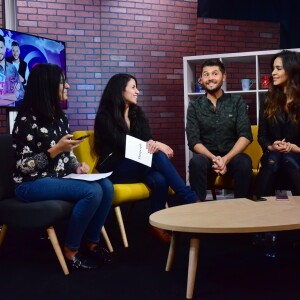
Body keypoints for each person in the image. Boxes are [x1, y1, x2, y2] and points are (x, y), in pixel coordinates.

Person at [12, 63, 114, 270]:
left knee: (106, 186)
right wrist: (55, 150)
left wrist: (76, 166)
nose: (67, 86)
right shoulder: (25, 120)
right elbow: (23, 166)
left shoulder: (59, 117)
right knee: (92, 191)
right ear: (47, 86)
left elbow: (67, 152)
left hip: (58, 177)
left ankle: (92, 242)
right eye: (62, 83)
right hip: (31, 183)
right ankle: (71, 249)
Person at [93, 73, 198, 243]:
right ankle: (188, 197)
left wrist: (154, 143)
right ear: (121, 90)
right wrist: (157, 145)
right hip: (114, 169)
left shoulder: (137, 114)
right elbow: (123, 143)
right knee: (156, 154)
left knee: (160, 179)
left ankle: (156, 225)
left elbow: (147, 140)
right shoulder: (105, 116)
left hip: (137, 166)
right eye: (133, 87)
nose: (138, 92)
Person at [186, 58, 253, 201]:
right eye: (206, 74)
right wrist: (214, 159)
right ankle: (197, 209)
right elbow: (193, 140)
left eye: (215, 73)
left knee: (244, 161)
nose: (210, 78)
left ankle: (243, 207)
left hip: (232, 158)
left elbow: (245, 135)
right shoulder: (194, 106)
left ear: (224, 76)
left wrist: (226, 159)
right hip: (207, 160)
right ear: (201, 79)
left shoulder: (237, 101)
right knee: (196, 162)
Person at [255, 50, 300, 198]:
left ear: (291, 70)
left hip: (297, 155)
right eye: (273, 68)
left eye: (278, 68)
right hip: (273, 154)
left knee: (289, 159)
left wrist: (295, 148)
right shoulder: (268, 99)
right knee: (272, 159)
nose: (273, 73)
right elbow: (262, 136)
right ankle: (259, 210)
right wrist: (271, 146)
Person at [0, 35, 24, 105]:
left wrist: (3, 96)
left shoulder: (12, 68)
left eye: (1, 47)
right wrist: (12, 97)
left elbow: (21, 93)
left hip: (13, 110)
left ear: (4, 48)